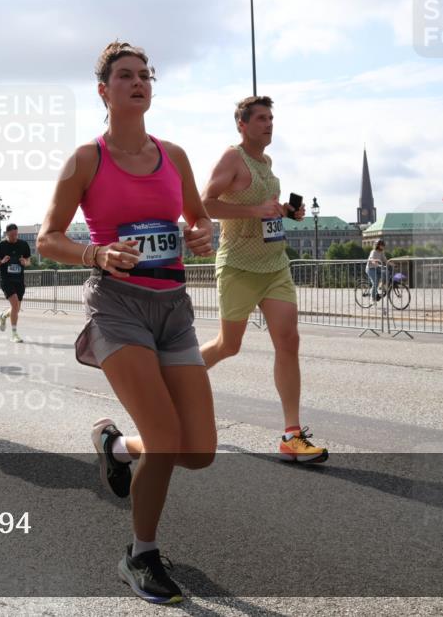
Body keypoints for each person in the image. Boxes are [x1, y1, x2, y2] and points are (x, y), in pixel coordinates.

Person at [37, 42, 217, 604]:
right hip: (117, 306)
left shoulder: (176, 155)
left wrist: (200, 234)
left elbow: (198, 217)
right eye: (125, 75)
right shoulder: (86, 159)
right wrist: (96, 254)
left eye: (145, 75)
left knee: (199, 450)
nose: (138, 82)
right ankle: (140, 555)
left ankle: (115, 447)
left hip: (173, 308)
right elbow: (48, 239)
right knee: (165, 441)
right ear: (104, 91)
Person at [199, 95, 329, 463]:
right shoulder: (231, 158)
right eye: (260, 118)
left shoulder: (267, 162)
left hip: (274, 264)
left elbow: (267, 210)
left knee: (289, 341)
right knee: (229, 345)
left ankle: (292, 433)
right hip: (239, 265)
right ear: (241, 124)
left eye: (271, 118)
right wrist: (257, 209)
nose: (269, 124)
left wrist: (288, 212)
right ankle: (180, 375)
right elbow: (205, 203)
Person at [0, 224, 32, 342]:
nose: (15, 237)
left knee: (16, 308)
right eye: (12, 235)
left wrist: (25, 262)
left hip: (19, 279)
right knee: (15, 305)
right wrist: (1, 261)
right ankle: (14, 334)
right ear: (7, 233)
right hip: (6, 280)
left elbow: (29, 261)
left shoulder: (23, 245)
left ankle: (3, 316)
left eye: (16, 234)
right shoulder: (0, 246)